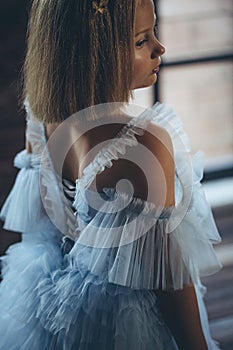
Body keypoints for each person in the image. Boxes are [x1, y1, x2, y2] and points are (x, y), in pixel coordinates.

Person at [0, 0, 222, 349]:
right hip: (123, 322)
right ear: (94, 53)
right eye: (140, 41)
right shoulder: (143, 143)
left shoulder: (40, 114)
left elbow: (41, 219)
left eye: (155, 32)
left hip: (47, 301)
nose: (160, 48)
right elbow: (168, 279)